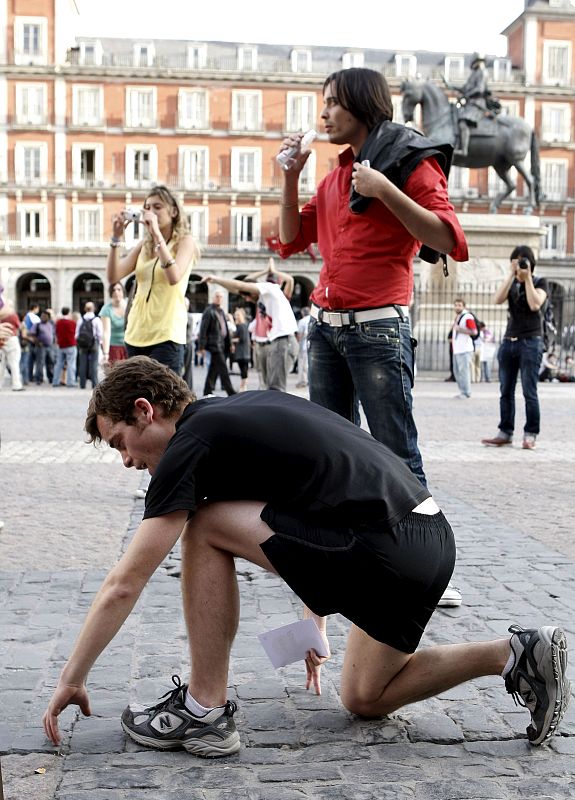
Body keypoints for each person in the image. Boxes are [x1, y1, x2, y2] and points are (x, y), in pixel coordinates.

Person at [42, 357, 570, 756]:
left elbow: (124, 582)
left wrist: (72, 676)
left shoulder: (190, 444)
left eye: (120, 443)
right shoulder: (242, 409)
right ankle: (513, 653)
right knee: (365, 697)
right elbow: (316, 493)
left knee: (203, 526)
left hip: (383, 547)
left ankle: (204, 710)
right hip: (427, 541)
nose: (128, 461)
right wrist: (313, 613)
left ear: (145, 410)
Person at [277, 67, 468, 485]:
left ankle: (422, 544)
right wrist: (290, 178)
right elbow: (289, 239)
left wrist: (385, 190)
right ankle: (351, 542)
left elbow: (447, 237)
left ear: (361, 104)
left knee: (396, 456)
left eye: (332, 102)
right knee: (329, 453)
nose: (323, 114)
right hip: (324, 329)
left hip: (378, 329)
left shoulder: (407, 163)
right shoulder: (335, 180)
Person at [106, 184, 200, 374]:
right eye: (147, 207)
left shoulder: (185, 242)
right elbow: (114, 276)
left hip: (167, 333)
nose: (151, 212)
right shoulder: (144, 245)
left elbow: (174, 276)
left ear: (173, 211)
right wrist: (116, 239)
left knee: (164, 399)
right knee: (138, 397)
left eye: (158, 207)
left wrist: (157, 235)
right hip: (136, 332)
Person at [481, 246, 547, 451]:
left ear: (531, 263)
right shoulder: (511, 283)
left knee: (529, 391)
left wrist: (527, 279)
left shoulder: (539, 282)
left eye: (523, 262)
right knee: (505, 391)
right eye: (516, 262)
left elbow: (535, 304)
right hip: (509, 341)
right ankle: (505, 432)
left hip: (531, 342)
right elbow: (497, 299)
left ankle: (530, 434)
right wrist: (511, 274)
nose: (519, 266)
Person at [203, 273, 298, 392]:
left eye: (247, 296)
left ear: (252, 289)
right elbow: (237, 288)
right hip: (273, 342)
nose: (247, 299)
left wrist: (216, 279)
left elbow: (241, 285)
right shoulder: (261, 299)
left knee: (276, 388)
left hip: (283, 340)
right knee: (267, 386)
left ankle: (277, 410)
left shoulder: (270, 288)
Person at [197, 290, 236, 397]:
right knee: (223, 368)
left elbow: (226, 330)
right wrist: (201, 347)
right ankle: (231, 392)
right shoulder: (209, 311)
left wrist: (230, 344)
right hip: (214, 345)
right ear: (213, 298)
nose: (219, 298)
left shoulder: (221, 311)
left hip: (222, 344)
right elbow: (203, 329)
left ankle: (207, 390)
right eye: (217, 296)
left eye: (221, 297)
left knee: (213, 368)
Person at [452, 53, 489, 158]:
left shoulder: (482, 72)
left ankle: (464, 150)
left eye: (481, 61)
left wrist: (466, 96)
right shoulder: (474, 74)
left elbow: (479, 89)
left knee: (462, 123)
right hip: (470, 104)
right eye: (478, 61)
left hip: (477, 104)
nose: (480, 63)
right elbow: (464, 88)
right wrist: (450, 84)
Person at [451, 298, 477, 399]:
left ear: (463, 306)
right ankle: (462, 391)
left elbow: (474, 331)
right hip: (458, 349)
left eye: (459, 305)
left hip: (464, 349)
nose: (457, 307)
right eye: (456, 305)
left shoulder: (467, 317)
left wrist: (460, 329)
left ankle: (466, 392)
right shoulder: (458, 317)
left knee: (464, 371)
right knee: (457, 372)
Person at [76, 301, 103, 390]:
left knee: (82, 364)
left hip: (83, 344)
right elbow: (100, 334)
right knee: (94, 364)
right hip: (93, 343)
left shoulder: (80, 319)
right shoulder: (96, 319)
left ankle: (82, 384)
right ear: (94, 309)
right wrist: (100, 343)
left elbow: (76, 334)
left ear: (84, 309)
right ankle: (94, 383)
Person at [99, 282, 128, 365]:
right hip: (114, 347)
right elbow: (106, 332)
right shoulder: (106, 309)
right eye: (113, 290)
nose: (116, 292)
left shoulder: (130, 305)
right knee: (116, 375)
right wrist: (105, 353)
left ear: (123, 291)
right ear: (110, 293)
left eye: (119, 289)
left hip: (130, 345)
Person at [0, 294, 24, 391]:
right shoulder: (12, 315)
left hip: (1, 339)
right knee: (14, 363)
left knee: (1, 364)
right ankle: (16, 384)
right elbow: (19, 326)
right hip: (11, 338)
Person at [52, 307, 77, 387]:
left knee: (58, 364)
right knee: (71, 364)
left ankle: (55, 381)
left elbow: (55, 332)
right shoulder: (72, 322)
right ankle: (70, 382)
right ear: (69, 313)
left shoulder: (58, 322)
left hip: (60, 345)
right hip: (70, 344)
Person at [31, 309, 56, 385]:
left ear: (48, 317)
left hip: (50, 346)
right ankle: (39, 379)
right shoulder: (37, 325)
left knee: (51, 362)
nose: (43, 317)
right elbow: (32, 334)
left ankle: (51, 378)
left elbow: (53, 334)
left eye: (44, 316)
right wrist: (38, 342)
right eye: (42, 316)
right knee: (40, 363)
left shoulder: (51, 324)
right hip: (41, 347)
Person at [231, 307, 250, 392]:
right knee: (243, 370)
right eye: (236, 315)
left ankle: (243, 387)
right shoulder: (241, 325)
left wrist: (231, 340)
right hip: (243, 352)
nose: (236, 317)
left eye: (238, 315)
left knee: (243, 370)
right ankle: (243, 386)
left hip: (243, 353)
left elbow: (241, 338)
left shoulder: (242, 326)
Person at [296, 306, 311, 388]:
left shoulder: (302, 321)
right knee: (309, 364)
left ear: (302, 313)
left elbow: (300, 335)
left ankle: (303, 381)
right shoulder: (312, 319)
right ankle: (309, 380)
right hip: (312, 345)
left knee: (302, 364)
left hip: (303, 345)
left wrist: (297, 341)